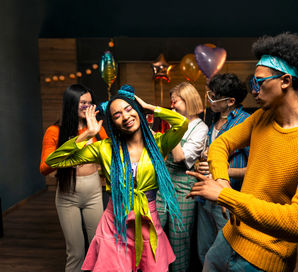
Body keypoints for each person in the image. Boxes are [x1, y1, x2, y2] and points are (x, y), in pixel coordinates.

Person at [187, 33, 298, 272]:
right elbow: (220, 145)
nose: (253, 91)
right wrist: (222, 181)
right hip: (227, 239)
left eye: (258, 82)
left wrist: (227, 197)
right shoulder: (261, 118)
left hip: (265, 258)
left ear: (285, 81)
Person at [45, 84, 188, 272]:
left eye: (129, 109)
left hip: (148, 221)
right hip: (115, 224)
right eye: (117, 115)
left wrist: (150, 107)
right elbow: (54, 160)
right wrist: (88, 134)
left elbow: (182, 123)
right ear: (113, 123)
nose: (126, 117)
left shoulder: (159, 143)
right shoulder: (104, 148)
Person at [40, 84, 107, 272]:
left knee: (98, 247)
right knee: (76, 252)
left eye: (90, 103)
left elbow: (111, 156)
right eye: (82, 103)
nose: (87, 107)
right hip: (67, 196)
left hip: (94, 194)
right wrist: (86, 135)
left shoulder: (97, 129)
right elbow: (45, 167)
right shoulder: (54, 131)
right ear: (71, 104)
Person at [195, 73, 250, 264]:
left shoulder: (245, 122)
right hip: (206, 196)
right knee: (205, 250)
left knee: (228, 252)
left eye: (214, 96)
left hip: (227, 197)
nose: (209, 98)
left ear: (230, 101)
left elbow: (255, 168)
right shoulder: (214, 121)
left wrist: (221, 173)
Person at [156, 82, 208, 271]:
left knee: (179, 239)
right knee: (155, 231)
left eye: (175, 102)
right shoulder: (176, 123)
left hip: (184, 187)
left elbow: (179, 157)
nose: (172, 106)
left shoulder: (200, 128)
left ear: (187, 100)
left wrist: (174, 126)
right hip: (164, 182)